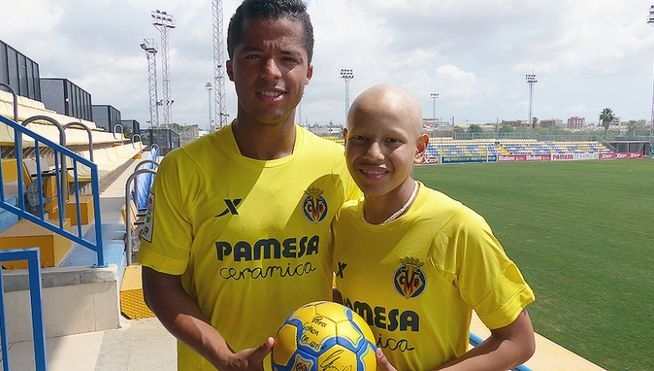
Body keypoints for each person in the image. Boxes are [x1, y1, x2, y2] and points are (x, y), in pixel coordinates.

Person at [138, 1, 358, 370]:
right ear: (230, 68)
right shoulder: (183, 169)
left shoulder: (337, 167)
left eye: (288, 58)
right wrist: (223, 356)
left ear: (308, 72)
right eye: (253, 56)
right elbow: (160, 285)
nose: (270, 72)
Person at [332, 84, 536, 370]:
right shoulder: (343, 222)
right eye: (360, 138)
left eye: (392, 140)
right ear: (345, 140)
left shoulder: (459, 228)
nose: (374, 153)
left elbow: (518, 341)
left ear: (419, 148)